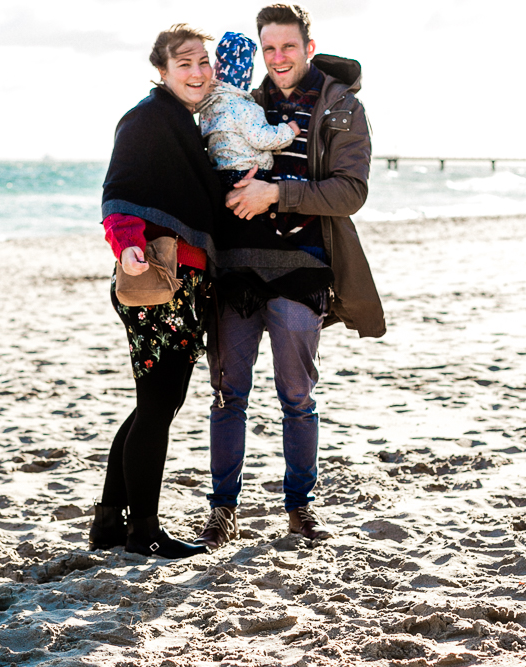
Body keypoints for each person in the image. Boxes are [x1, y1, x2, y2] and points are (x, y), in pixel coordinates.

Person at [195, 3, 386, 550]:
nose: (277, 58)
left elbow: (352, 192)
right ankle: (222, 512)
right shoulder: (244, 103)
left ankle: (300, 510)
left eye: (287, 46)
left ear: (307, 44)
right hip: (236, 267)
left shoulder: (342, 107)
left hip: (303, 266)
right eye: (268, 48)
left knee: (296, 395)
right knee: (229, 394)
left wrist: (275, 194)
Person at [88, 24, 225, 560]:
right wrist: (125, 244)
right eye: (184, 63)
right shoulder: (147, 119)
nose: (196, 72)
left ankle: (107, 523)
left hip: (184, 284)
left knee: (156, 403)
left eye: (203, 62)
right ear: (163, 71)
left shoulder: (187, 124)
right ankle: (143, 529)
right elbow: (118, 193)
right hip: (154, 279)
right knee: (157, 404)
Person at [198, 31, 301, 191]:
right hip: (248, 172)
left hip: (221, 175)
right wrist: (289, 131)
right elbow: (261, 138)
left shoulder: (207, 106)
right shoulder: (244, 107)